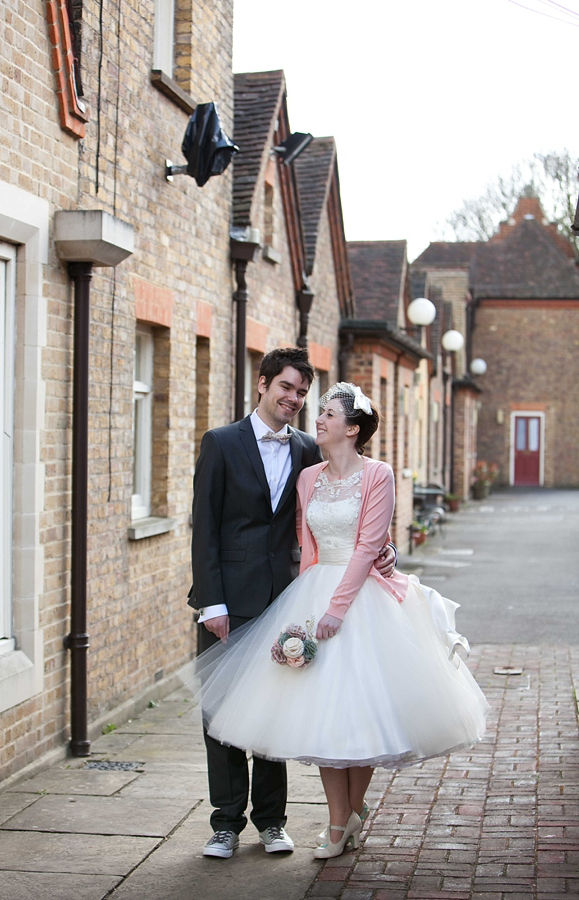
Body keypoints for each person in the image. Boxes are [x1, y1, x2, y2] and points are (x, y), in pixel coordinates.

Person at [186, 382, 489, 861]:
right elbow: (307, 547)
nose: (316, 418)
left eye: (326, 412)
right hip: (314, 590)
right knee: (323, 715)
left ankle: (346, 816)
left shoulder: (380, 474)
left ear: (352, 428)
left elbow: (370, 544)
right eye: (315, 407)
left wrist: (340, 604)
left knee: (365, 711)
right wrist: (301, 614)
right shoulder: (310, 476)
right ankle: (336, 820)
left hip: (364, 599)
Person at [188, 351, 400, 859]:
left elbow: (345, 516)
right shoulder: (220, 443)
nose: (295, 399)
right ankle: (224, 824)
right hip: (229, 599)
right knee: (222, 713)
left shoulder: (310, 448)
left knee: (279, 707)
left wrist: (383, 551)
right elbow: (205, 528)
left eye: (303, 393)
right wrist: (211, 600)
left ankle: (271, 822)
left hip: (287, 595)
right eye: (286, 387)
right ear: (262, 383)